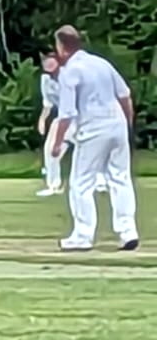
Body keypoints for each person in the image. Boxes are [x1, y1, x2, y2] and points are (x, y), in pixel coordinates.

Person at [49, 25, 137, 252]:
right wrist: (127, 125)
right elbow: (125, 95)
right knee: (120, 178)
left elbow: (66, 114)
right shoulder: (101, 63)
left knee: (81, 183)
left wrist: (57, 142)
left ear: (62, 47)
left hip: (93, 128)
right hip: (116, 124)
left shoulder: (70, 72)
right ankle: (128, 231)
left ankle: (82, 235)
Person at [36, 53, 106, 197]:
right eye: (46, 64)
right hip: (62, 119)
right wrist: (42, 120)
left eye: (52, 63)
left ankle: (100, 180)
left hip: (80, 117)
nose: (49, 66)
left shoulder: (69, 76)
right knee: (50, 149)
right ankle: (53, 185)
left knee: (91, 147)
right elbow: (48, 103)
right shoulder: (45, 80)